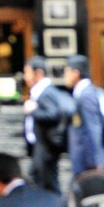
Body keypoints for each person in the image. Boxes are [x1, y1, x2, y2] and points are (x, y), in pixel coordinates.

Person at [23, 56, 75, 194]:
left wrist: (33, 110)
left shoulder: (46, 92)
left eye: (27, 72)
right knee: (39, 178)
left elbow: (52, 114)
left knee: (48, 183)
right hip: (42, 146)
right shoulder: (44, 91)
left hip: (46, 146)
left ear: (38, 73)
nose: (25, 77)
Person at [64, 54, 104, 176]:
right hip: (86, 162)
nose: (64, 77)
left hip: (89, 165)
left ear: (75, 73)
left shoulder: (86, 95)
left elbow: (93, 129)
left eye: (66, 72)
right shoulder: (84, 92)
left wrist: (95, 163)